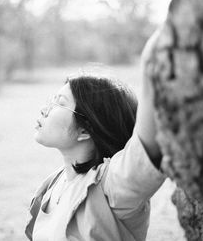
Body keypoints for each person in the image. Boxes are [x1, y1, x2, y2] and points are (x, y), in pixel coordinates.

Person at [26, 33, 165, 241]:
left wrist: (152, 57)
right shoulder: (54, 182)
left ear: (86, 130)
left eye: (60, 103)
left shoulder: (113, 187)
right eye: (52, 100)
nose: (45, 109)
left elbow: (147, 143)